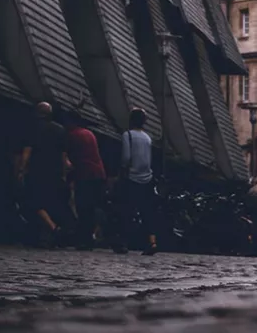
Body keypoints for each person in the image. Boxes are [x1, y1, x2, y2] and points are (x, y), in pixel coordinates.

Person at [19, 102, 70, 248]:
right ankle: (47, 237)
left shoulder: (32, 128)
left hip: (37, 170)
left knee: (34, 202)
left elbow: (27, 152)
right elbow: (63, 155)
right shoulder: (60, 130)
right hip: (55, 171)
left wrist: (21, 170)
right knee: (50, 203)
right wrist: (64, 173)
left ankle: (53, 228)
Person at [116, 107, 158, 256]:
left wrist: (123, 170)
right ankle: (152, 242)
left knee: (126, 210)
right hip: (147, 178)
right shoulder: (147, 138)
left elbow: (126, 158)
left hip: (132, 178)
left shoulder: (128, 135)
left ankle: (123, 243)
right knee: (147, 212)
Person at [63, 112, 106, 250]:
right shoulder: (88, 133)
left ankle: (84, 239)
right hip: (98, 173)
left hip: (85, 174)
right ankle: (90, 237)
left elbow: (71, 158)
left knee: (83, 207)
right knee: (91, 207)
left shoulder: (72, 135)